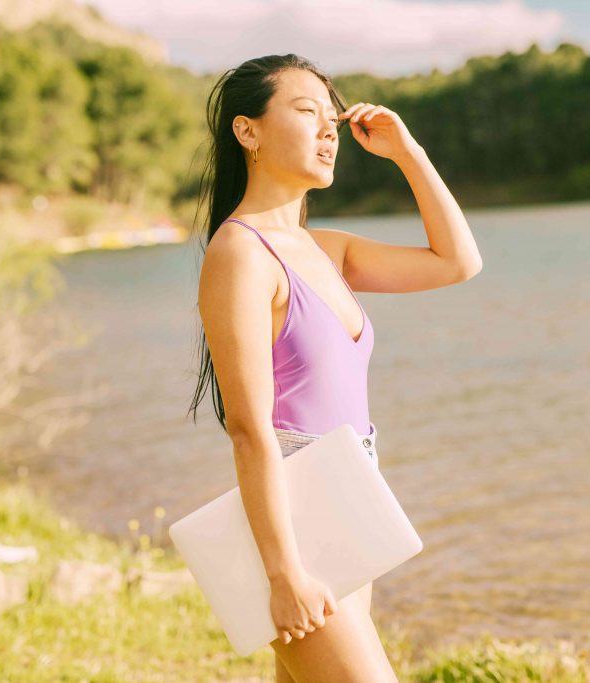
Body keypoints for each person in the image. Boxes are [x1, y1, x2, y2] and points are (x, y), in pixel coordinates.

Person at [188, 54, 482, 682]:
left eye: (332, 118)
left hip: (348, 493)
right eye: (305, 112)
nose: (328, 131)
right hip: (296, 514)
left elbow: (457, 261)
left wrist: (408, 153)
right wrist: (282, 571)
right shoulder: (241, 254)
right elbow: (249, 427)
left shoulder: (325, 250)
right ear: (249, 131)